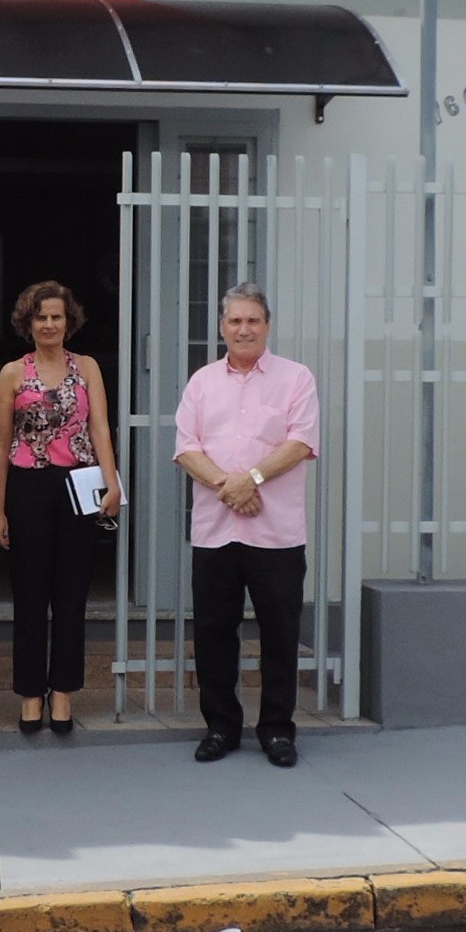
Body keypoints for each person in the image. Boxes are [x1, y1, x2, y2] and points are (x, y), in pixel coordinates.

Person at [171, 283, 318, 767]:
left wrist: (250, 478)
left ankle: (277, 730)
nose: (244, 329)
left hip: (276, 533)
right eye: (234, 321)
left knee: (280, 634)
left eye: (253, 320)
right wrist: (227, 486)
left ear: (267, 325)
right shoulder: (202, 382)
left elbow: (300, 443)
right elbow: (186, 447)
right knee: (214, 632)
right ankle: (220, 727)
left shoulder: (296, 379)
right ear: (221, 327)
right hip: (216, 531)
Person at [0, 280, 121, 735]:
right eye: (41, 317)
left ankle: (62, 691)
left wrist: (113, 482)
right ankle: (29, 693)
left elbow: (101, 427)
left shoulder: (87, 368)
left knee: (71, 593)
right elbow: (1, 444)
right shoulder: (11, 373)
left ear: (69, 322)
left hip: (77, 486)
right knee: (28, 594)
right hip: (26, 487)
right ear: (29, 322)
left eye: (57, 317)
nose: (49, 324)